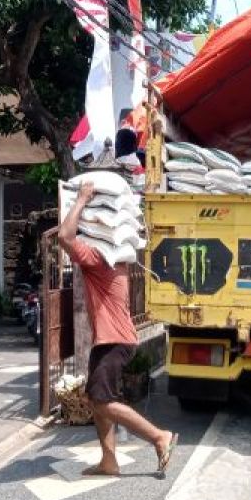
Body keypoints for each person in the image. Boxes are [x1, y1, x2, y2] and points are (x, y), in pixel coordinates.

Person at [60, 182, 178, 477]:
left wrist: (82, 200)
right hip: (110, 339)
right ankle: (108, 461)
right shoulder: (116, 257)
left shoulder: (100, 258)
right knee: (96, 399)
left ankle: (158, 437)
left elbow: (64, 235)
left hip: (114, 340)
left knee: (103, 400)